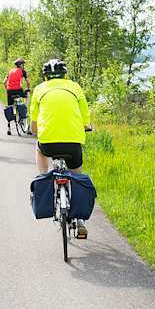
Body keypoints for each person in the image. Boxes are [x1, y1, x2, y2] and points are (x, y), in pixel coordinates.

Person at [29, 58, 92, 236]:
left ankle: (43, 177)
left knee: (39, 149)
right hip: (72, 142)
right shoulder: (75, 87)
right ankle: (80, 220)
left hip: (48, 142)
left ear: (45, 76)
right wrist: (86, 125)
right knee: (77, 174)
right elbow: (85, 113)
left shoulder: (39, 89)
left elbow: (33, 120)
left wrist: (34, 130)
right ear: (65, 74)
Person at [3, 59, 29, 135]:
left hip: (9, 91)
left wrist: (7, 89)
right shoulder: (22, 71)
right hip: (18, 90)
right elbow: (28, 82)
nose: (23, 66)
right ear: (20, 65)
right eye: (23, 64)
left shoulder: (10, 71)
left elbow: (4, 82)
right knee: (27, 95)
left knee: (10, 107)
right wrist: (28, 88)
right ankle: (25, 112)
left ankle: (9, 128)